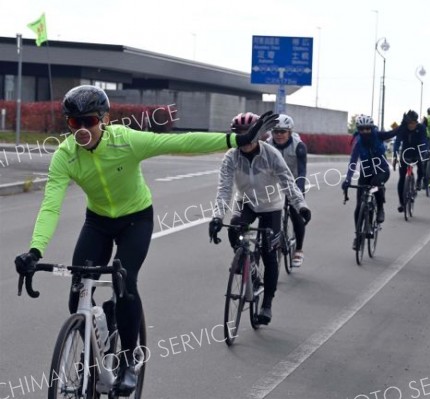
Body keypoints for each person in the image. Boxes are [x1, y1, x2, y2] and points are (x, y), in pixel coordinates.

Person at [13, 85, 278, 394]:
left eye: (89, 121)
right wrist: (35, 250)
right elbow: (50, 205)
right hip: (98, 222)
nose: (82, 129)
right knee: (77, 292)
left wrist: (236, 139)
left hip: (136, 219)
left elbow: (180, 142)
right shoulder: (65, 156)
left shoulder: (127, 141)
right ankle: (94, 348)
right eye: (74, 123)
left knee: (125, 282)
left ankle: (128, 361)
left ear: (105, 119)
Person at [208, 112, 311, 325]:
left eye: (248, 134)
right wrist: (217, 216)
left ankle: (266, 304)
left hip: (271, 206)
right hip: (245, 202)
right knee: (233, 230)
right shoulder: (231, 157)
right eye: (239, 134)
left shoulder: (271, 154)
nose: (243, 140)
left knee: (268, 252)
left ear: (257, 134)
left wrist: (301, 205)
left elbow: (288, 182)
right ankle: (251, 270)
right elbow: (224, 189)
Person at [342, 114, 398, 249]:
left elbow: (394, 132)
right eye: (362, 129)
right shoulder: (358, 143)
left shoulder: (378, 136)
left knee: (376, 184)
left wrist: (403, 123)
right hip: (365, 173)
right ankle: (358, 237)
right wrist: (348, 179)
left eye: (368, 129)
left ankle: (380, 209)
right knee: (358, 207)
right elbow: (353, 162)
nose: (366, 132)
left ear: (372, 128)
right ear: (359, 130)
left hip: (381, 170)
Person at [266, 114, 308, 267]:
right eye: (275, 132)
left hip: (294, 183)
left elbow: (302, 171)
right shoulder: (268, 144)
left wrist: (299, 191)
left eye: (282, 132)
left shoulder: (299, 146)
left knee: (297, 216)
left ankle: (299, 250)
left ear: (289, 132)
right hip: (275, 184)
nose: (278, 135)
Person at [393, 110, 427, 212]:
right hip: (405, 153)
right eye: (410, 123)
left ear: (416, 122)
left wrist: (423, 152)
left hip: (417, 151)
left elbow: (424, 141)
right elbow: (397, 142)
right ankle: (401, 203)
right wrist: (395, 155)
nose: (412, 125)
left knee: (422, 164)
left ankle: (419, 180)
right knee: (402, 178)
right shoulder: (402, 128)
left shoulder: (421, 128)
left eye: (414, 123)